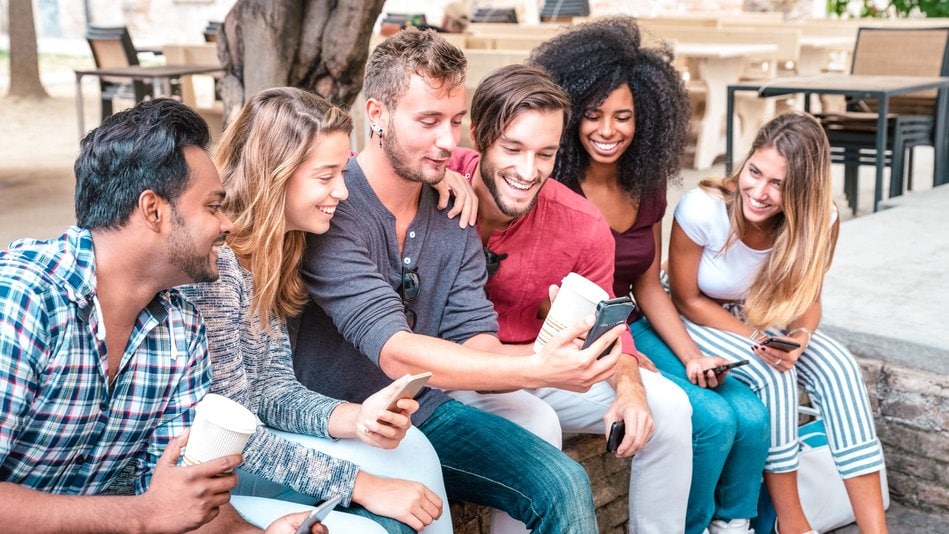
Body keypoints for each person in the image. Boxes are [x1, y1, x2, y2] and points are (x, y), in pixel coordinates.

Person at [290, 28, 623, 533]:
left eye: (455, 121)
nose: (449, 142)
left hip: (423, 413)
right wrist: (544, 368)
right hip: (337, 423)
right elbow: (395, 350)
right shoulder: (332, 209)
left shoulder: (453, 208)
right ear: (376, 114)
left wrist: (555, 350)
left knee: (563, 481)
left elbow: (477, 338)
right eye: (428, 121)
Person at [0, 98, 323, 534]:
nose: (227, 224)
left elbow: (182, 498)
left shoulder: (180, 329)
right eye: (213, 206)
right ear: (153, 210)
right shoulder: (23, 301)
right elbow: (154, 512)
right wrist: (142, 515)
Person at [529, 16, 770, 534]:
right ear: (571, 115)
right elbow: (546, 303)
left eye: (624, 116)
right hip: (586, 336)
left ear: (647, 119)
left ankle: (734, 524)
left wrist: (690, 355)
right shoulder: (547, 181)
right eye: (593, 115)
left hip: (633, 322)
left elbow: (645, 283)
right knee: (710, 418)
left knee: (748, 414)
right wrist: (629, 366)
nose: (608, 131)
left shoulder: (645, 181)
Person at [178, 87, 450, 533]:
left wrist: (358, 418)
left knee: (412, 449)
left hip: (249, 455)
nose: (342, 192)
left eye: (342, 173)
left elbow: (271, 390)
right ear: (276, 174)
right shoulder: (217, 267)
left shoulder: (277, 254)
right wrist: (360, 484)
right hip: (204, 476)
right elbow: (233, 425)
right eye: (326, 176)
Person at [446, 63, 694, 534]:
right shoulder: (435, 180)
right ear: (478, 137)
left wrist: (631, 388)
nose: (527, 170)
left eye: (545, 154)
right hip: (459, 373)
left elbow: (608, 329)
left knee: (670, 407)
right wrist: (438, 178)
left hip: (545, 366)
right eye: (513, 148)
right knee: (534, 421)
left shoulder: (581, 223)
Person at [668, 111, 888, 534]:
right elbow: (685, 297)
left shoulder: (821, 218)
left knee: (840, 368)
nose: (759, 191)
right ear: (747, 160)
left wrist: (801, 337)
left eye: (779, 184)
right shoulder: (704, 208)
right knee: (774, 375)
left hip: (762, 317)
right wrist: (756, 339)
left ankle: (877, 530)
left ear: (803, 191)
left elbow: (809, 300)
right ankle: (792, 522)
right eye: (755, 172)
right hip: (698, 314)